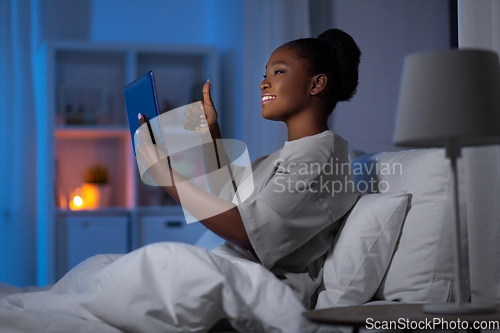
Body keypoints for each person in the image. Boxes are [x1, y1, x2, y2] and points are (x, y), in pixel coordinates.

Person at [137, 28, 361, 309]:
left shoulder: (320, 159)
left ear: (316, 84)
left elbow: (247, 232)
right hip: (235, 276)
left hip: (262, 294)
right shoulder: (290, 154)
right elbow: (230, 197)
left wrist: (162, 173)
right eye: (264, 75)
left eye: (278, 72)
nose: (264, 83)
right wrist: (212, 133)